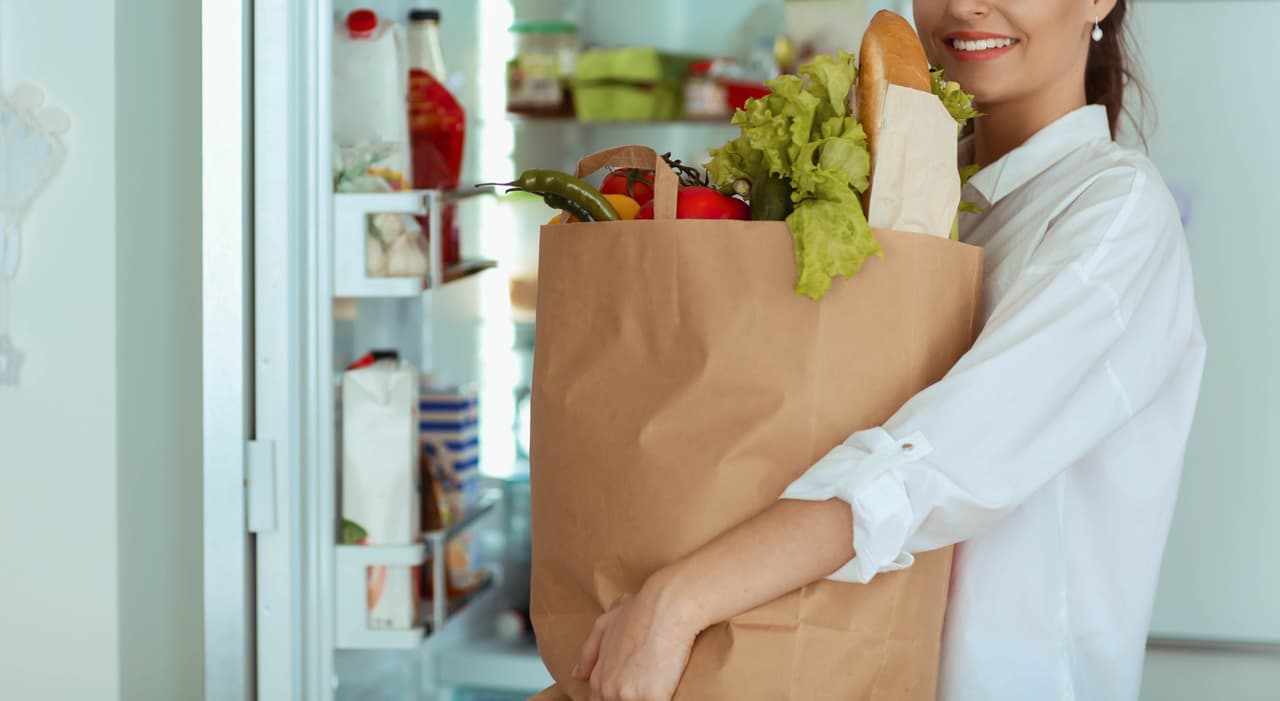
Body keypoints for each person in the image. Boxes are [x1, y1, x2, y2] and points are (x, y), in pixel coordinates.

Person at [570, 0, 1207, 700]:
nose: (965, 4)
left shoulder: (1114, 214)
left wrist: (677, 600)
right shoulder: (912, 200)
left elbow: (933, 464)